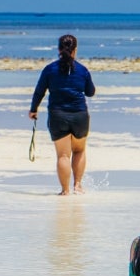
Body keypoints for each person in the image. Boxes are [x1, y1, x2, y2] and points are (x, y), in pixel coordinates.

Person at [29, 33, 95, 196]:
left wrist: (33, 109)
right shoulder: (82, 70)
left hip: (58, 115)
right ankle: (78, 186)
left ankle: (65, 190)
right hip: (79, 114)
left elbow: (39, 91)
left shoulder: (50, 69)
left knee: (63, 155)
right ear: (75, 50)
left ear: (59, 49)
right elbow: (90, 92)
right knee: (79, 150)